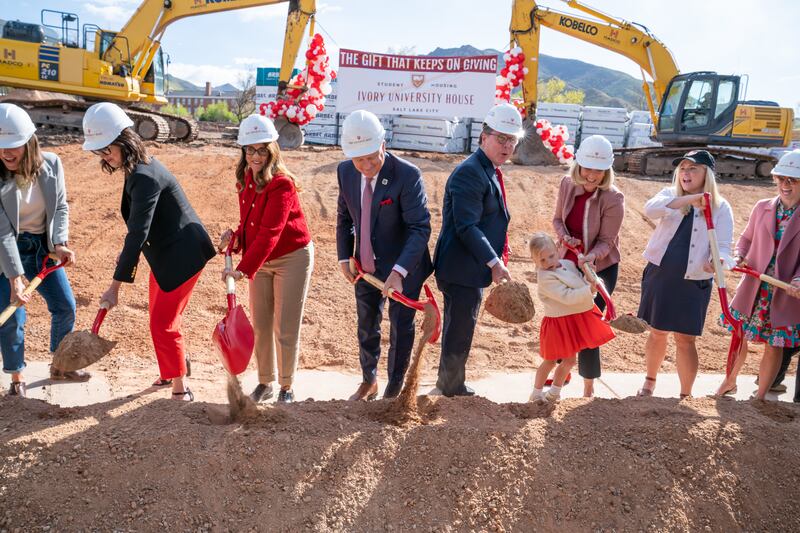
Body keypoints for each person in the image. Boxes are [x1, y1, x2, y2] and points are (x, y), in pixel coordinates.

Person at [82, 103, 216, 401]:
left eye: (106, 149)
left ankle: (180, 388)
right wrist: (127, 253)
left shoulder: (144, 176)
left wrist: (114, 287)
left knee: (163, 322)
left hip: (182, 255)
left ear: (124, 141)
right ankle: (172, 369)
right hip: (167, 254)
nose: (104, 156)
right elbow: (140, 227)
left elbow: (138, 232)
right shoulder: (138, 167)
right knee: (160, 317)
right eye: (99, 151)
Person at [336, 110, 432, 400]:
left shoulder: (407, 175)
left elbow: (419, 228)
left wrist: (399, 271)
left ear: (383, 145)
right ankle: (369, 380)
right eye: (359, 160)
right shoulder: (345, 172)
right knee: (366, 326)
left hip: (404, 267)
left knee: (401, 327)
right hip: (365, 266)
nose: (366, 166)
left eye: (372, 158)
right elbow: (345, 217)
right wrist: (344, 257)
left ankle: (394, 389)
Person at [219, 114, 313, 404]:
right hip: (261, 258)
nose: (255, 156)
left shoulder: (282, 184)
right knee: (260, 323)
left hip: (290, 257)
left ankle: (286, 387)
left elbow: (271, 231)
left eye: (261, 150)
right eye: (250, 150)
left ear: (272, 150)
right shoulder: (245, 179)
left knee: (284, 326)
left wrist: (242, 270)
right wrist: (236, 239)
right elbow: (251, 223)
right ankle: (265, 382)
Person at [432, 102, 520, 397]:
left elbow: (489, 219)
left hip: (469, 265)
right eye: (501, 138)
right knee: (459, 328)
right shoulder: (470, 172)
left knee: (461, 326)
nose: (507, 146)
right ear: (484, 137)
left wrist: (497, 252)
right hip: (461, 267)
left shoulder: (488, 169)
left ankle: (450, 383)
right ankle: (450, 387)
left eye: (512, 140)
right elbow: (467, 226)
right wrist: (493, 262)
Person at [636, 150, 733, 398]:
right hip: (661, 274)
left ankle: (685, 394)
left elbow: (723, 246)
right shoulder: (670, 195)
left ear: (707, 174)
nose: (686, 174)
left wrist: (718, 260)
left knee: (686, 338)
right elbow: (650, 209)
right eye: (683, 169)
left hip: (694, 281)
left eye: (693, 169)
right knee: (657, 331)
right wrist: (688, 200)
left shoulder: (720, 207)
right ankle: (649, 382)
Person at [0, 104, 79, 397]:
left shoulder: (52, 164)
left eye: (12, 146)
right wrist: (15, 279)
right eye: (0, 147)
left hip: (40, 249)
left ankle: (60, 366)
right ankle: (16, 378)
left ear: (29, 142)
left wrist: (59, 243)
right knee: (12, 316)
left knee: (65, 306)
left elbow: (60, 207)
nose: (5, 153)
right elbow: (3, 232)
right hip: (5, 250)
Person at [715, 150, 800, 400]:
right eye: (781, 178)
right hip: (754, 285)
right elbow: (746, 238)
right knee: (739, 336)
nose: (785, 185)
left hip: (784, 290)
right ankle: (729, 381)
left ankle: (760, 396)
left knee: (774, 344)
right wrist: (739, 255)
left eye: (793, 180)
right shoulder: (762, 207)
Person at [552, 135, 625, 397]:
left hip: (599, 267)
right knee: (562, 320)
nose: (592, 175)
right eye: (588, 168)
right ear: (579, 165)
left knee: (587, 324)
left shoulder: (613, 198)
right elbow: (557, 220)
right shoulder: (567, 184)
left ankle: (589, 386)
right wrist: (565, 237)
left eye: (599, 170)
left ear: (607, 170)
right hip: (568, 262)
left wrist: (591, 257)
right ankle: (562, 374)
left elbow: (607, 241)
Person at [528, 232, 615, 403]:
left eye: (551, 256)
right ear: (535, 261)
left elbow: (580, 284)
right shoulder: (545, 278)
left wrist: (590, 278)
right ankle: (536, 393)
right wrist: (590, 289)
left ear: (557, 250)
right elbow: (567, 296)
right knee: (550, 360)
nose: (548, 262)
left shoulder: (568, 264)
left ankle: (554, 393)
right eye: (542, 260)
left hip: (571, 320)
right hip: (557, 323)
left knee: (569, 361)